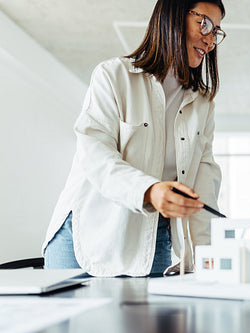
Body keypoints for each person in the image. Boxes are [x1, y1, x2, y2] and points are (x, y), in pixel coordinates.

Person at [42, 0, 226, 277]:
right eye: (205, 24)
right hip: (85, 234)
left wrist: (206, 256)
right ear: (173, 17)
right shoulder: (113, 75)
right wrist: (149, 191)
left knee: (146, 320)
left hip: (153, 240)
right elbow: (95, 155)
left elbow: (203, 183)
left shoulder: (202, 104)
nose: (210, 40)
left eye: (216, 32)